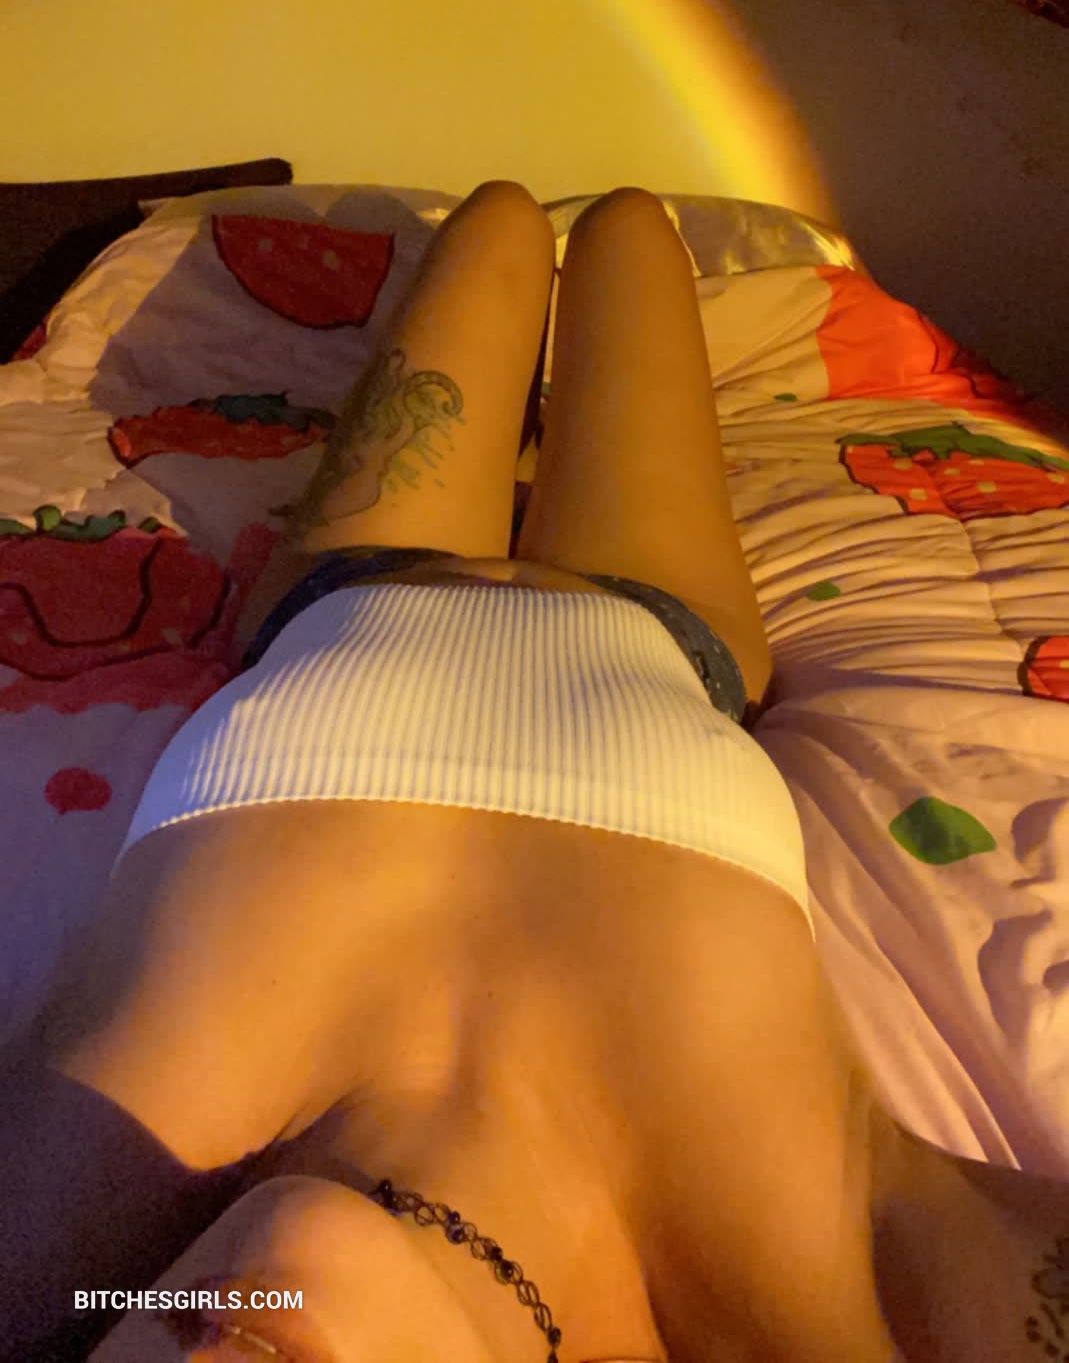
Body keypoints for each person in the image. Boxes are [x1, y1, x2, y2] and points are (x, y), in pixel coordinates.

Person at [0, 183, 1060, 1363]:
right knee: (630, 234)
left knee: (499, 224)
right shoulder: (814, 1313)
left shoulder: (47, 1264)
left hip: (355, 593)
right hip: (662, 636)